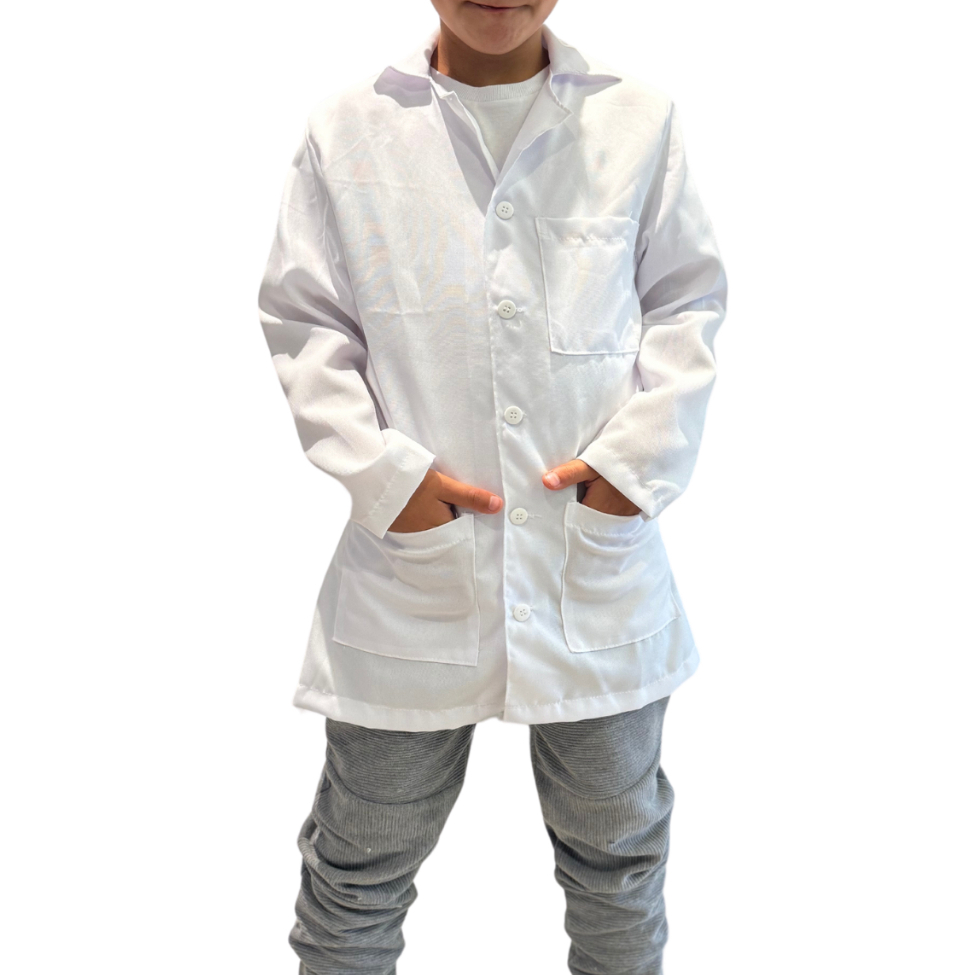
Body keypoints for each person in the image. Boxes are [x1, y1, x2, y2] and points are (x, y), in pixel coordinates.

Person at [257, 1, 727, 972]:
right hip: (413, 575)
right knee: (357, 871)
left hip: (590, 566)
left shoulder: (637, 120)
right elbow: (305, 319)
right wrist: (387, 481)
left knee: (618, 867)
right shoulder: (348, 128)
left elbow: (687, 300)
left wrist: (630, 472)